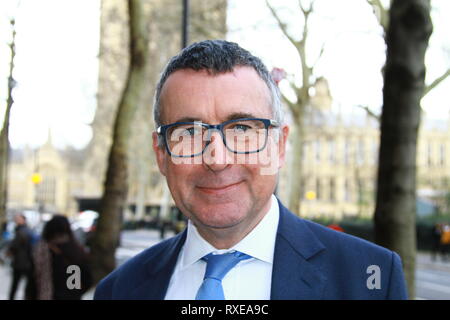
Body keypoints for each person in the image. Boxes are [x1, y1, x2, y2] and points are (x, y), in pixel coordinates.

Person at [94, 40, 408, 300]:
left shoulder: (372, 281)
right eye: (189, 133)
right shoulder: (118, 291)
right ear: (161, 154)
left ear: (280, 146)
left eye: (242, 130)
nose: (217, 159)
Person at [33, 215, 92, 300]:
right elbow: (87, 279)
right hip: (72, 296)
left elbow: (33, 281)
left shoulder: (42, 250)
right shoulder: (77, 250)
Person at [6, 213, 36, 300]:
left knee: (15, 284)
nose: (16, 220)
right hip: (27, 261)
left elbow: (14, 246)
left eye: (18, 219)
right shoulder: (27, 230)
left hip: (20, 262)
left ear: (23, 220)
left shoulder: (21, 231)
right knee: (26, 284)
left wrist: (10, 252)